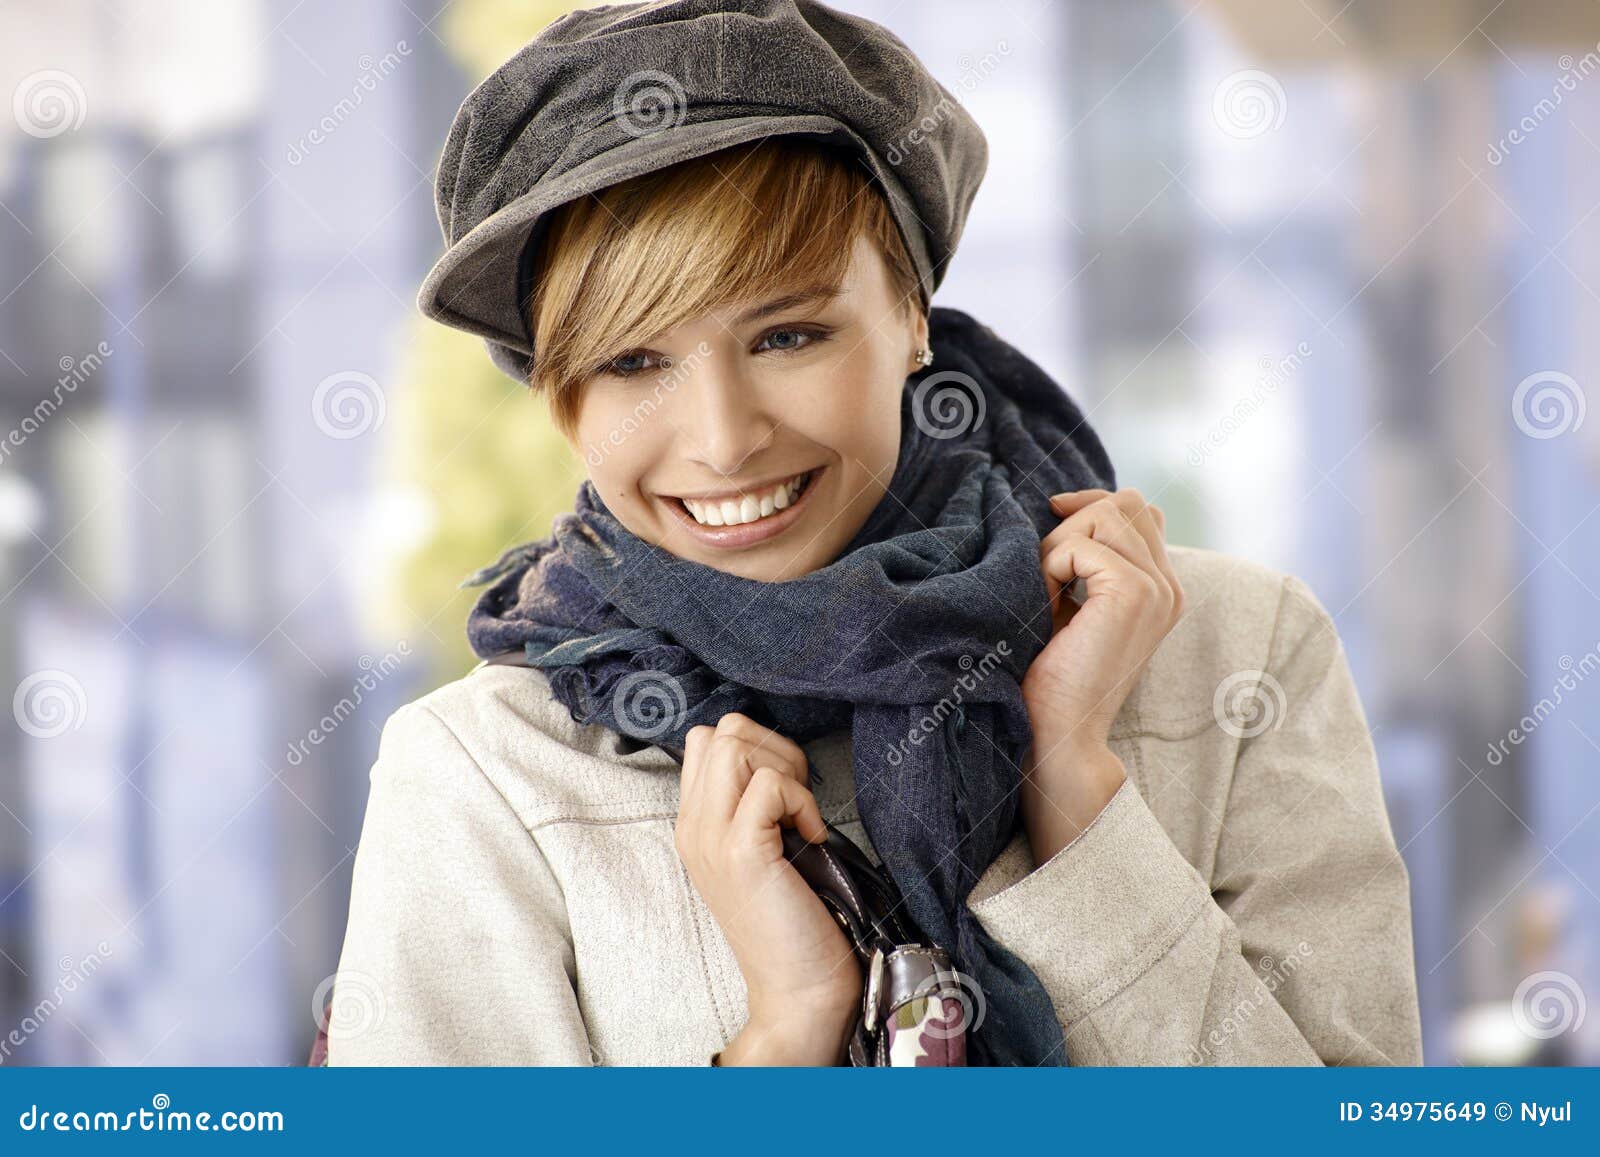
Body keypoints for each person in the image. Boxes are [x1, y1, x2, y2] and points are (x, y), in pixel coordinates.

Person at [327, 0, 1423, 1067]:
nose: (721, 438)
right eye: (632, 360)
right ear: (562, 399)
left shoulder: (1238, 649)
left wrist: (1078, 803)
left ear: (910, 316)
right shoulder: (483, 778)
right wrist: (786, 1030)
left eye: (788, 333)